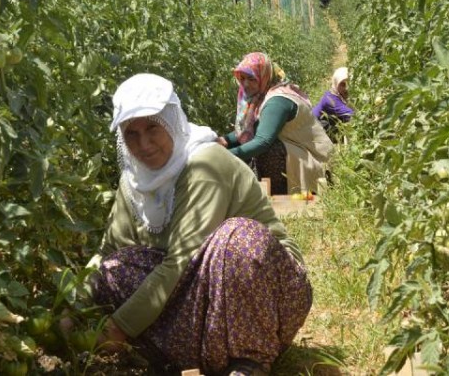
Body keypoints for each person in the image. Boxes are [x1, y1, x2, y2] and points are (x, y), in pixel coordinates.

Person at [86, 73, 312, 376]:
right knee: (114, 268)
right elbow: (108, 249)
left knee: (236, 240)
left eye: (153, 127)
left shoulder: (204, 163)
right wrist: (69, 307)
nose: (144, 143)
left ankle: (250, 360)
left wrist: (119, 327)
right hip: (205, 294)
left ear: (172, 122)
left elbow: (179, 261)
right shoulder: (134, 182)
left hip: (273, 294)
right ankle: (201, 354)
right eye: (131, 134)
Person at [217, 52, 333, 196]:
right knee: (248, 147)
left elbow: (263, 141)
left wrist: (222, 157)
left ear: (263, 76)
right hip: (296, 154)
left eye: (251, 79)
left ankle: (279, 195)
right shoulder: (262, 95)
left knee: (267, 150)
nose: (245, 84)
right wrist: (223, 141)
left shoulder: (277, 101)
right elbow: (250, 130)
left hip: (313, 163)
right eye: (242, 78)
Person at [312, 67, 354, 142]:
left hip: (321, 124)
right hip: (315, 130)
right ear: (336, 84)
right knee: (348, 127)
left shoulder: (335, 94)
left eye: (349, 83)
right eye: (343, 84)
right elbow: (351, 115)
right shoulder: (331, 100)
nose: (346, 88)